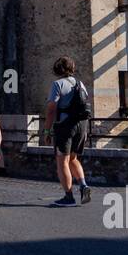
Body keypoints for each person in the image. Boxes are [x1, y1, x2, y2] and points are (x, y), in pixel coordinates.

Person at [46, 56, 92, 206]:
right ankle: (84, 185)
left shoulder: (57, 84)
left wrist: (46, 130)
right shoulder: (80, 84)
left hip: (65, 125)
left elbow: (51, 110)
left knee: (62, 161)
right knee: (73, 158)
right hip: (82, 124)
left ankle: (69, 197)